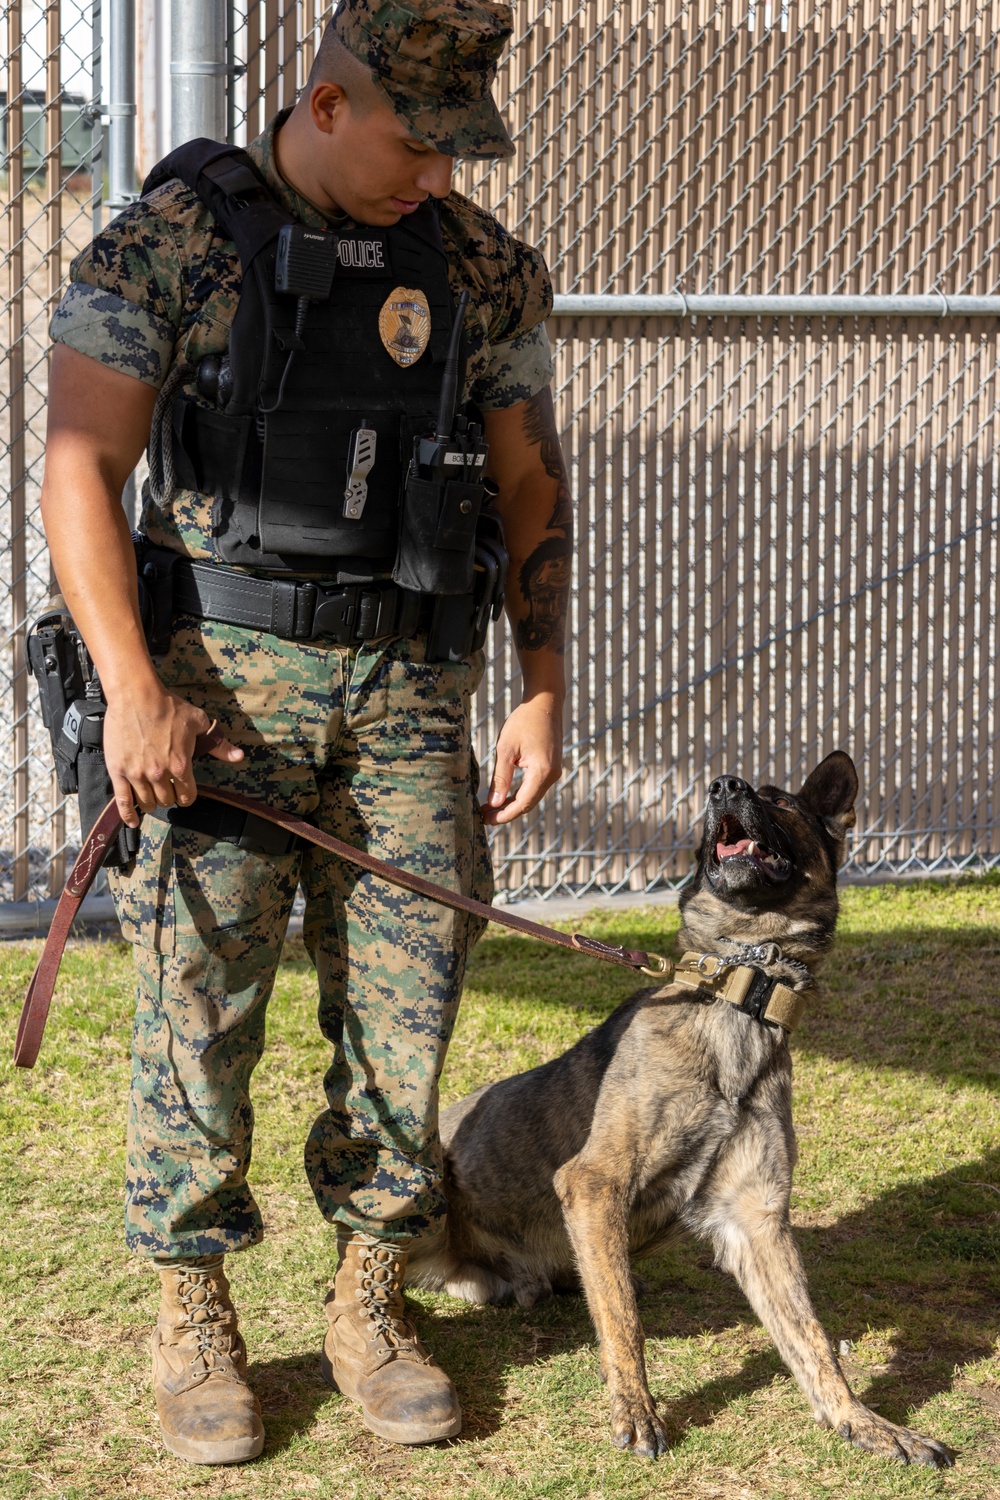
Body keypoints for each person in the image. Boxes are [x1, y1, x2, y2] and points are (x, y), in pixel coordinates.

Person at [40, 0, 571, 1465]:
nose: (441, 179)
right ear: (326, 104)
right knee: (197, 1009)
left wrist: (539, 681)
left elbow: (526, 481)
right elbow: (79, 466)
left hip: (409, 689)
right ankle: (194, 1310)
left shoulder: (478, 269)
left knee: (404, 1017)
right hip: (217, 687)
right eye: (418, 141)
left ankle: (371, 1298)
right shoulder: (177, 240)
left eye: (464, 148)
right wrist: (134, 684)